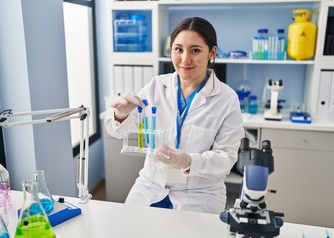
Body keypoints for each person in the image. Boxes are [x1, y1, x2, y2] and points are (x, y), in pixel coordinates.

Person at [104, 17, 244, 214]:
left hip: (199, 193)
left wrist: (189, 161)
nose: (185, 59)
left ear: (212, 52)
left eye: (195, 50)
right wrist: (120, 115)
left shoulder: (227, 99)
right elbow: (117, 132)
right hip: (151, 185)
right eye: (178, 49)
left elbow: (226, 159)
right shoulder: (155, 87)